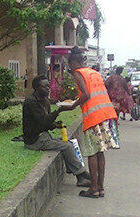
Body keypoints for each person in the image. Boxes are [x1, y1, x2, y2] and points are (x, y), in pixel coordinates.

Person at [60, 47, 119, 199]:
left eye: (70, 64)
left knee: (91, 153)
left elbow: (86, 95)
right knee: (100, 152)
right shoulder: (95, 73)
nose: (70, 68)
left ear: (75, 62)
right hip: (105, 115)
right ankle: (100, 187)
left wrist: (72, 105)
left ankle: (93, 188)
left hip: (93, 117)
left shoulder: (79, 73)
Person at [23, 75, 91, 187]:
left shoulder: (44, 101)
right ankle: (81, 176)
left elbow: (45, 124)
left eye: (48, 86)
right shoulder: (31, 102)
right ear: (36, 88)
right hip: (34, 140)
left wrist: (55, 125)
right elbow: (43, 121)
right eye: (44, 86)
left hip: (43, 135)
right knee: (67, 146)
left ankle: (78, 171)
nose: (48, 88)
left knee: (69, 142)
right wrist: (59, 111)